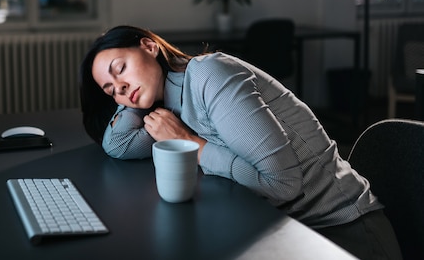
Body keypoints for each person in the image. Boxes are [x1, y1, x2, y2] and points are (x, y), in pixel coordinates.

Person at [79, 25, 402, 260]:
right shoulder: (166, 107)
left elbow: (283, 185)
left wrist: (190, 142)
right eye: (110, 90)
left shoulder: (209, 75)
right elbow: (118, 145)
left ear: (150, 46)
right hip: (285, 229)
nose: (120, 88)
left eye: (120, 68)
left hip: (345, 232)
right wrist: (129, 93)